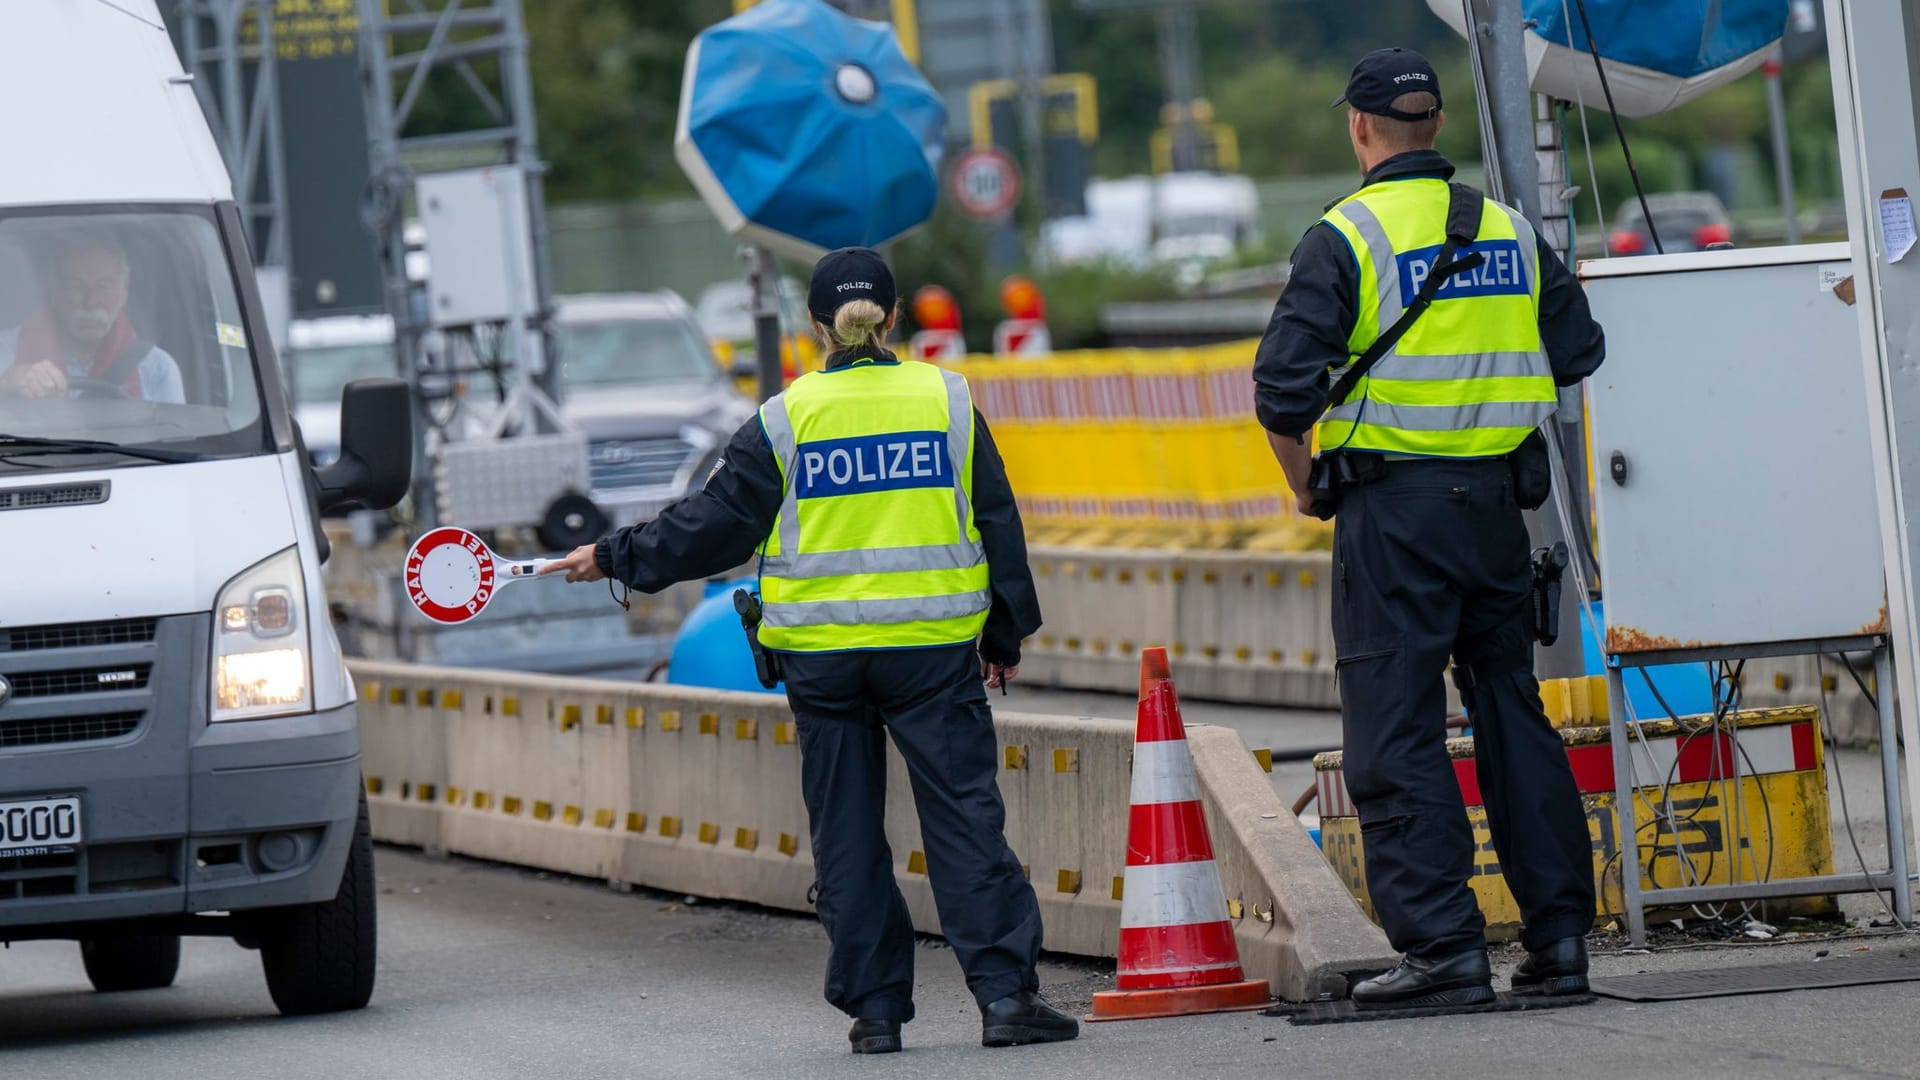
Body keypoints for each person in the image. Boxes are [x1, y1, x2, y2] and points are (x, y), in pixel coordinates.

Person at [541, 248, 1078, 1053]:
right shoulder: (947, 400)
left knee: (848, 835)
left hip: (823, 665)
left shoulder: (787, 419)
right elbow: (996, 522)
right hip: (931, 656)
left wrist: (615, 555)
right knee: (965, 823)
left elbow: (711, 524)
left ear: (816, 327)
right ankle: (1006, 1000)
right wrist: (1003, 637)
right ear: (894, 319)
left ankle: (876, 1013)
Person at [1253, 48, 1606, 1009]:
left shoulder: (1343, 236)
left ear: (1361, 129)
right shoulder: (1509, 227)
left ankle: (1446, 949)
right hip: (1498, 511)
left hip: (1394, 516)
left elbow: (1281, 395)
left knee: (1394, 729)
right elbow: (1580, 350)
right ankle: (1560, 941)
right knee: (1511, 715)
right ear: (1436, 125)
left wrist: (1309, 487)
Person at [0, 233, 185, 403]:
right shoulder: (6, 350)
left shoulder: (157, 369)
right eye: (76, 286)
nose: (90, 302)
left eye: (104, 286)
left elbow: (178, 438)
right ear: (55, 291)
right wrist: (8, 382)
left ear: (124, 291)